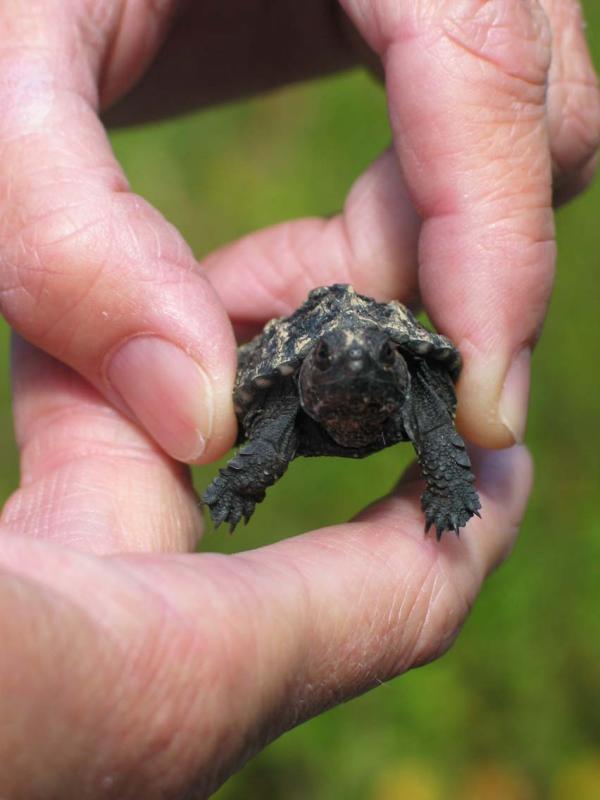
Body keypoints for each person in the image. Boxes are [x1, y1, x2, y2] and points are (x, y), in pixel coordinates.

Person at [0, 1, 597, 796]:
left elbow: (438, 425)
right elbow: (267, 444)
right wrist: (241, 478)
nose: (353, 363)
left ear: (390, 362)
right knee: (262, 449)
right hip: (291, 381)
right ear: (312, 369)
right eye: (334, 358)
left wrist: (450, 482)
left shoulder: (411, 384)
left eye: (370, 357)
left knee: (441, 443)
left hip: (374, 374)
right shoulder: (288, 401)